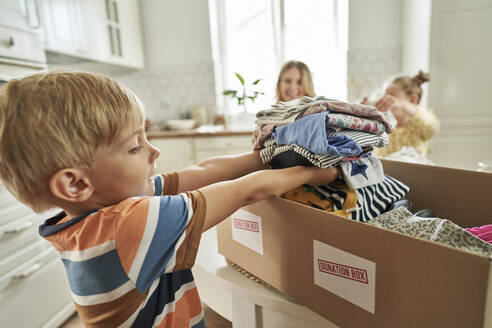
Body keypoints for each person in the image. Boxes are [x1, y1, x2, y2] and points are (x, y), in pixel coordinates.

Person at [0, 71, 340, 327]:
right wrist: (316, 172)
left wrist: (267, 155)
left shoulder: (99, 213)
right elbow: (244, 191)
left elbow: (205, 170)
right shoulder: (128, 225)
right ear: (75, 184)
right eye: (135, 146)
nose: (154, 150)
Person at [367, 70, 440, 158]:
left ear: (413, 99)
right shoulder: (382, 125)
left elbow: (432, 127)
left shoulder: (420, 126)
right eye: (384, 95)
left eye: (391, 95)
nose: (385, 99)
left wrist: (402, 105)